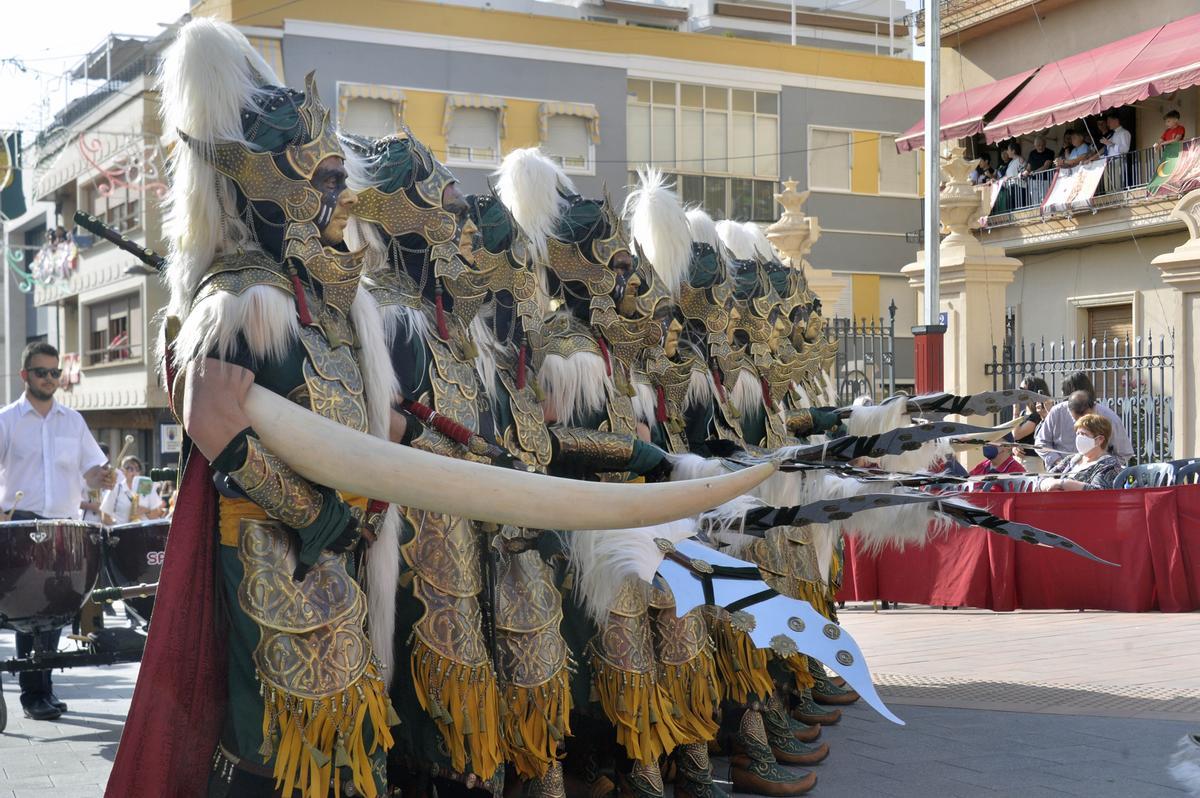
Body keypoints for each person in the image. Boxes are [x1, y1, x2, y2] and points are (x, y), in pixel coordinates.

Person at [0, 341, 116, 721]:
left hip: (66, 526)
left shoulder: (73, 420)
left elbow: (92, 471)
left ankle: (44, 688)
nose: (50, 378)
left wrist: (103, 476)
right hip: (23, 523)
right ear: (25, 376)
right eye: (41, 372)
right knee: (29, 610)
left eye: (55, 372)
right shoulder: (6, 420)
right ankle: (33, 694)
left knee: (56, 610)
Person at [1035, 372, 1134, 468]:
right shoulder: (1057, 412)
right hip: (1062, 473)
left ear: (1091, 406)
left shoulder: (1110, 418)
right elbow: (1041, 443)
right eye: (1076, 416)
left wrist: (1099, 467)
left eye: (1084, 415)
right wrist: (1059, 462)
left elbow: (1124, 453)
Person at [1037, 413, 1122, 491]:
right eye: (1078, 434)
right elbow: (1044, 477)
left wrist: (1064, 484)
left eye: (1083, 434)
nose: (1079, 438)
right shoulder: (1071, 460)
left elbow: (1098, 493)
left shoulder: (1109, 465)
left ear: (1099, 440)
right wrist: (1048, 484)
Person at [99, 455, 166, 524]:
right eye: (130, 469)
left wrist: (146, 510)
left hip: (144, 531)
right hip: (123, 532)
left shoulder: (146, 486)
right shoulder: (116, 489)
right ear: (123, 471)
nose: (134, 473)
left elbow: (156, 515)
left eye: (137, 469)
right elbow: (105, 516)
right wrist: (116, 530)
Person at [1011, 376, 1051, 462]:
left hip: (1031, 461)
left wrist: (1015, 408)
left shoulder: (1037, 415)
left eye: (1022, 389)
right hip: (1019, 460)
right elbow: (1015, 438)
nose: (1019, 392)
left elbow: (1016, 434)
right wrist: (1014, 447)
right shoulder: (1023, 413)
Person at [81, 441, 110, 523]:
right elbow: (73, 501)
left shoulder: (114, 473)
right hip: (86, 522)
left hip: (107, 524)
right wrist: (92, 506)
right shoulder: (85, 472)